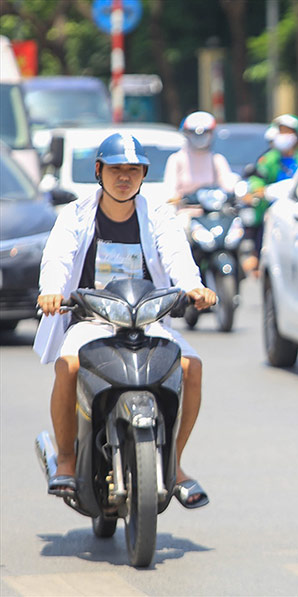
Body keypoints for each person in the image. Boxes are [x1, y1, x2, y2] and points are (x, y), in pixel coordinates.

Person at [34, 133, 217, 508]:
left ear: (143, 175)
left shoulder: (159, 215)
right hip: (91, 320)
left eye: (133, 170)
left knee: (192, 367)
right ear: (99, 171)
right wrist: (52, 290)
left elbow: (177, 254)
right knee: (68, 366)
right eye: (116, 169)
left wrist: (192, 287)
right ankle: (66, 460)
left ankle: (176, 465)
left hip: (146, 319)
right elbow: (59, 257)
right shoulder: (76, 214)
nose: (124, 177)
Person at [242, 114, 298, 275]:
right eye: (281, 131)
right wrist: (258, 191)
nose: (283, 136)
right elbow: (257, 181)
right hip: (271, 211)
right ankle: (258, 258)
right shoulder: (269, 159)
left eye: (287, 132)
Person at [163, 111, 239, 201]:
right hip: (184, 210)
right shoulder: (176, 159)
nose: (200, 138)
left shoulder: (216, 159)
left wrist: (237, 186)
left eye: (205, 133)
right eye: (194, 133)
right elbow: (170, 188)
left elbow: (227, 182)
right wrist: (175, 197)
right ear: (186, 133)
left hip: (212, 209)